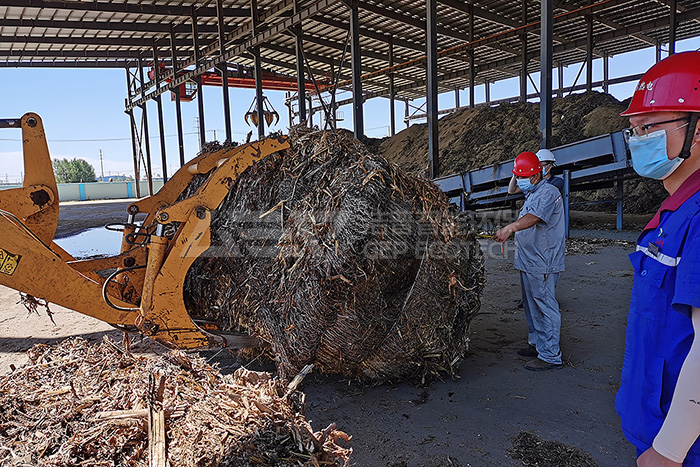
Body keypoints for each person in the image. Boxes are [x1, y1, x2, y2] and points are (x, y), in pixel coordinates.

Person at [614, 50, 700, 466]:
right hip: (655, 422)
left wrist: (670, 450)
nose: (638, 141)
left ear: (698, 130)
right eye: (633, 131)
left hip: (683, 446)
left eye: (648, 127)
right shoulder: (675, 210)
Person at [495, 151, 566, 371]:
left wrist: (510, 227)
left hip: (542, 261)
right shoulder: (533, 192)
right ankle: (538, 343)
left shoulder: (548, 192)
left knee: (544, 304)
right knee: (531, 304)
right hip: (529, 260)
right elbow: (516, 193)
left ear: (537, 175)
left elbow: (533, 218)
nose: (521, 181)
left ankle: (550, 355)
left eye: (523, 177)